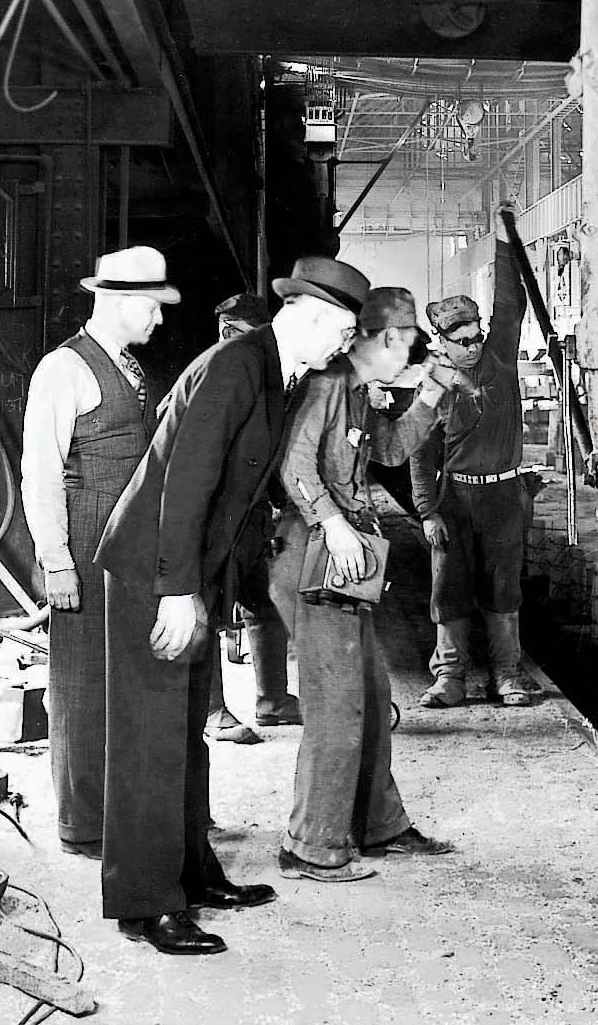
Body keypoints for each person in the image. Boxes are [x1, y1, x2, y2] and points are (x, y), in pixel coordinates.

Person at [93, 256, 363, 956]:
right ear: (305, 315)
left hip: (190, 570)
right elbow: (187, 481)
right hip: (153, 571)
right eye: (342, 327)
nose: (345, 342)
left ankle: (191, 875)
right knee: (150, 739)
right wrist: (177, 589)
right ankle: (145, 903)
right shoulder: (238, 366)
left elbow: (238, 496)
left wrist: (220, 589)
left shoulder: (277, 372)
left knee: (184, 734)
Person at [270, 282, 463, 881]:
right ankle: (312, 844)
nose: (410, 354)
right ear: (383, 339)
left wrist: (428, 395)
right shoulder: (327, 386)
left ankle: (379, 825)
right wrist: (332, 523)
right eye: (407, 344)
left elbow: (387, 448)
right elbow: (293, 466)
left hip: (341, 555)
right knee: (336, 705)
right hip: (313, 552)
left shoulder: (357, 393)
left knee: (373, 697)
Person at [21, 246, 178, 860]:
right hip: (84, 544)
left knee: (121, 682)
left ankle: (118, 809)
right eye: (151, 307)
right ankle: (82, 824)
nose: (159, 321)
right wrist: (56, 559)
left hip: (126, 545)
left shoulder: (129, 367)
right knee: (82, 683)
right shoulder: (63, 369)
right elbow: (40, 472)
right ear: (115, 302)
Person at [409, 232, 534, 709]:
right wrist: (426, 511)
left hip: (503, 497)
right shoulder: (435, 384)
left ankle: (506, 675)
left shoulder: (499, 360)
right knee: (449, 587)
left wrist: (506, 243)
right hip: (455, 501)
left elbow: (510, 305)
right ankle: (449, 679)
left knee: (505, 587)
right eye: (461, 342)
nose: (473, 347)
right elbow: (420, 455)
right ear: (442, 341)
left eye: (476, 337)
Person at [204, 291, 301, 746]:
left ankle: (273, 701)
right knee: (204, 611)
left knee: (264, 604)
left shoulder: (264, 378)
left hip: (253, 517)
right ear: (228, 332)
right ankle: (211, 712)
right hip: (215, 520)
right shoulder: (211, 377)